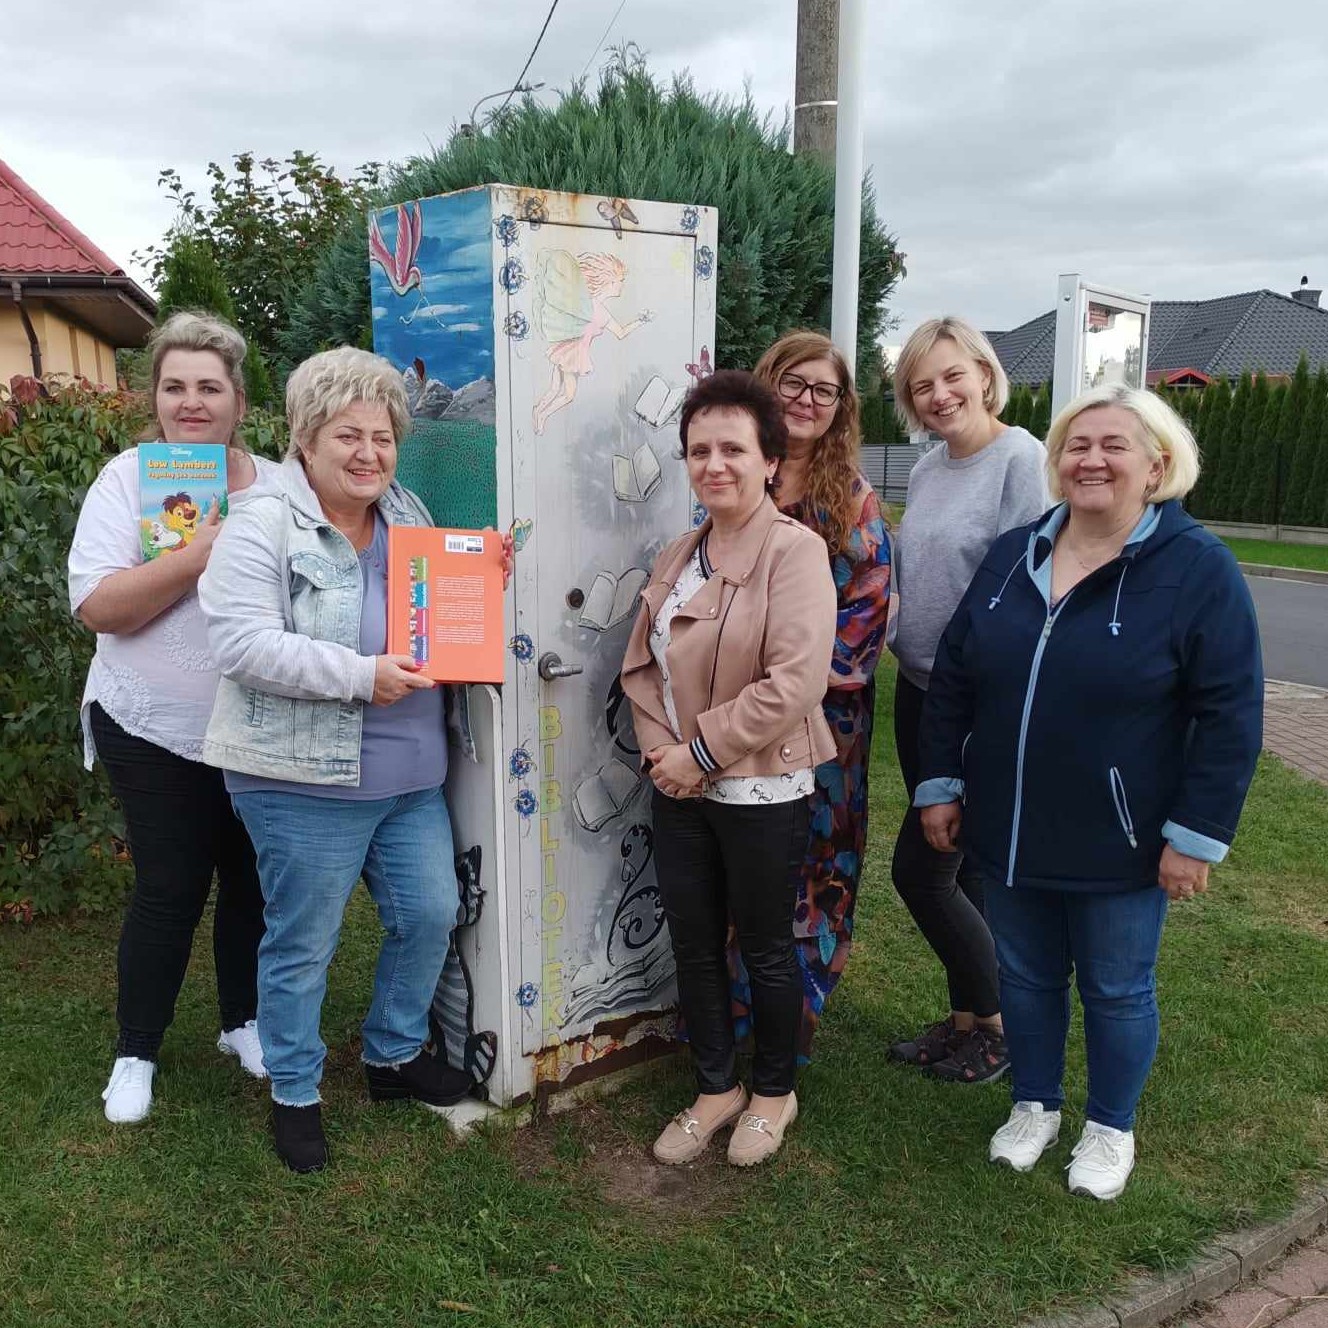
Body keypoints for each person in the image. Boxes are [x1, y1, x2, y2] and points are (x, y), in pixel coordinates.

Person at [915, 384, 1262, 1199]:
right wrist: (941, 782)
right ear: (1056, 461)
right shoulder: (1015, 552)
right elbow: (956, 677)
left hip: (1125, 836)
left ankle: (1110, 1126)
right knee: (1027, 976)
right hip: (1008, 823)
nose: (1091, 459)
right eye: (1077, 445)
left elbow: (1230, 713)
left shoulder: (1195, 569)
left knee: (1115, 985)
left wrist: (1196, 834)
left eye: (1113, 445)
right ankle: (1034, 1103)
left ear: (1157, 466)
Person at [198, 347, 512, 1173]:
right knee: (303, 942)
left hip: (411, 777)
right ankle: (295, 1090)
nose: (369, 453)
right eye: (349, 435)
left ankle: (393, 1054)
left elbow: (438, 613)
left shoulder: (406, 511)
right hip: (301, 778)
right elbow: (237, 643)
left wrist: (481, 577)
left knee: (430, 915)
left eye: (383, 435)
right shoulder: (261, 523)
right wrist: (357, 677)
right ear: (306, 439)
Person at [620, 370, 837, 1167]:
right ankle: (716, 1088)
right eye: (699, 450)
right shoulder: (682, 552)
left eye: (734, 449)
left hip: (759, 788)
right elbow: (642, 667)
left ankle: (774, 1093)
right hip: (677, 783)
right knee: (695, 941)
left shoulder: (795, 551)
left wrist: (699, 756)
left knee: (768, 947)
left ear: (771, 461)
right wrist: (661, 755)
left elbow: (794, 682)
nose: (715, 464)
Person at [68, 311, 276, 1125]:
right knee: (169, 886)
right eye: (175, 386)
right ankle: (136, 1052)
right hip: (150, 721)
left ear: (237, 400)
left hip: (255, 722)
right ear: (154, 397)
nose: (192, 402)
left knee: (251, 880)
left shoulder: (280, 483)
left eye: (209, 387)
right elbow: (98, 608)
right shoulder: (128, 479)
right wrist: (197, 554)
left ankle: (244, 1022)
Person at [886, 316, 1050, 1084]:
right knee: (962, 870)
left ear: (985, 373)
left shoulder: (1021, 461)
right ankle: (967, 1025)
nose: (940, 394)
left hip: (978, 704)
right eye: (923, 384)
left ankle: (1006, 1024)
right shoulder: (928, 470)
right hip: (916, 690)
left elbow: (1029, 594)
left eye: (953, 375)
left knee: (918, 872)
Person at [749, 330, 892, 1059]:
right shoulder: (739, 474)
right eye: (793, 384)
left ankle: (792, 1026)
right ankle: (731, 1015)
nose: (807, 401)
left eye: (824, 390)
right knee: (741, 862)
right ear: (767, 386)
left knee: (815, 865)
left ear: (841, 407)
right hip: (735, 720)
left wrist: (777, 683)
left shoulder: (855, 502)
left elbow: (862, 624)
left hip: (824, 727)